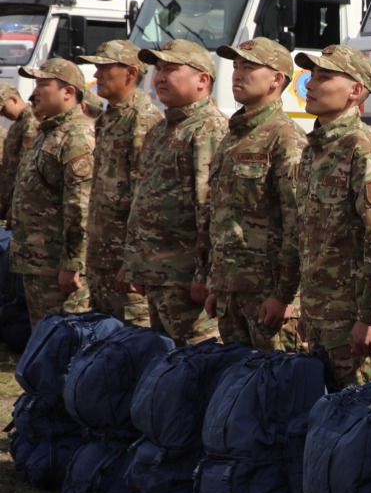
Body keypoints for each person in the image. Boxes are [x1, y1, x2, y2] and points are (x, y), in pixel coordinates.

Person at [294, 44, 371, 388]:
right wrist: (307, 308)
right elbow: (309, 236)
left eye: (324, 77)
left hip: (352, 320)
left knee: (360, 410)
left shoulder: (365, 148)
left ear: (355, 91)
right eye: (311, 75)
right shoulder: (315, 149)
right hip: (320, 314)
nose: (310, 84)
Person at [200, 38, 306, 350]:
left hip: (267, 296)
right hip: (231, 290)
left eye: (249, 67)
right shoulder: (233, 137)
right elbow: (221, 216)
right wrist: (217, 284)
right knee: (238, 375)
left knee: (275, 376)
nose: (238, 73)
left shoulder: (285, 137)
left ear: (276, 79)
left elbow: (298, 223)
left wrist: (285, 295)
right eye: (236, 66)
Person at [122, 39, 229, 343]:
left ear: (202, 80)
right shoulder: (161, 129)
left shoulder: (208, 128)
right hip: (157, 273)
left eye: (170, 69)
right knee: (165, 359)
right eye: (158, 69)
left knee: (194, 359)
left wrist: (205, 273)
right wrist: (135, 264)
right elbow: (143, 201)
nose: (159, 77)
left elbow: (209, 207)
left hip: (186, 278)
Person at [77, 40, 163, 323]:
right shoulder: (108, 118)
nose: (96, 75)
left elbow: (145, 197)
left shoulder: (142, 119)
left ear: (130, 72)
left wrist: (134, 260)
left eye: (104, 68)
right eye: (96, 68)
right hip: (103, 254)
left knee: (133, 334)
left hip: (125, 261)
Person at [10, 58, 94, 323]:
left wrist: (73, 263)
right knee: (43, 334)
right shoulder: (49, 131)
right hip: (38, 261)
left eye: (42, 85)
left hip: (58, 265)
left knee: (62, 337)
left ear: (68, 92)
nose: (34, 93)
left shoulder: (76, 135)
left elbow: (80, 207)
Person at [0, 82, 38, 221]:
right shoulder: (17, 123)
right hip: (9, 199)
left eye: (3, 108)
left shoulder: (30, 122)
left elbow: (26, 168)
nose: (2, 114)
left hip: (18, 201)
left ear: (13, 99)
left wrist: (15, 205)